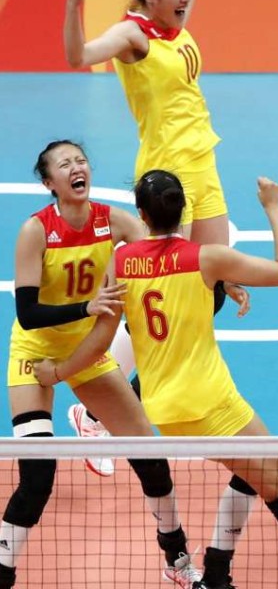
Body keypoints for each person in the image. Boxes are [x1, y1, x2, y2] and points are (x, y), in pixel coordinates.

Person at [33, 171, 278, 589]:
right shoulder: (206, 257)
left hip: (164, 409)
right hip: (211, 404)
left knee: (251, 471)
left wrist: (58, 372)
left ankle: (216, 571)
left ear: (142, 215)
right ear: (183, 213)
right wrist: (272, 206)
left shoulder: (122, 262)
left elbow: (101, 339)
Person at [62, 0, 248, 445]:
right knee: (160, 291)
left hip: (203, 163)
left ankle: (124, 404)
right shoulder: (132, 36)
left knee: (211, 292)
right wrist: (73, 3)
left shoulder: (173, 20)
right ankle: (98, 411)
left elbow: (182, 14)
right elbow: (78, 56)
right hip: (169, 176)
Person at [3, 141, 201, 587]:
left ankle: (178, 559)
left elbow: (167, 251)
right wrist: (87, 307)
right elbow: (28, 313)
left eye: (80, 160)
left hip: (88, 353)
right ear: (49, 182)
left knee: (149, 455)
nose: (77, 167)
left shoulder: (112, 221)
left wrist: (219, 282)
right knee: (38, 477)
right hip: (34, 356)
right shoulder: (35, 231)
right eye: (64, 164)